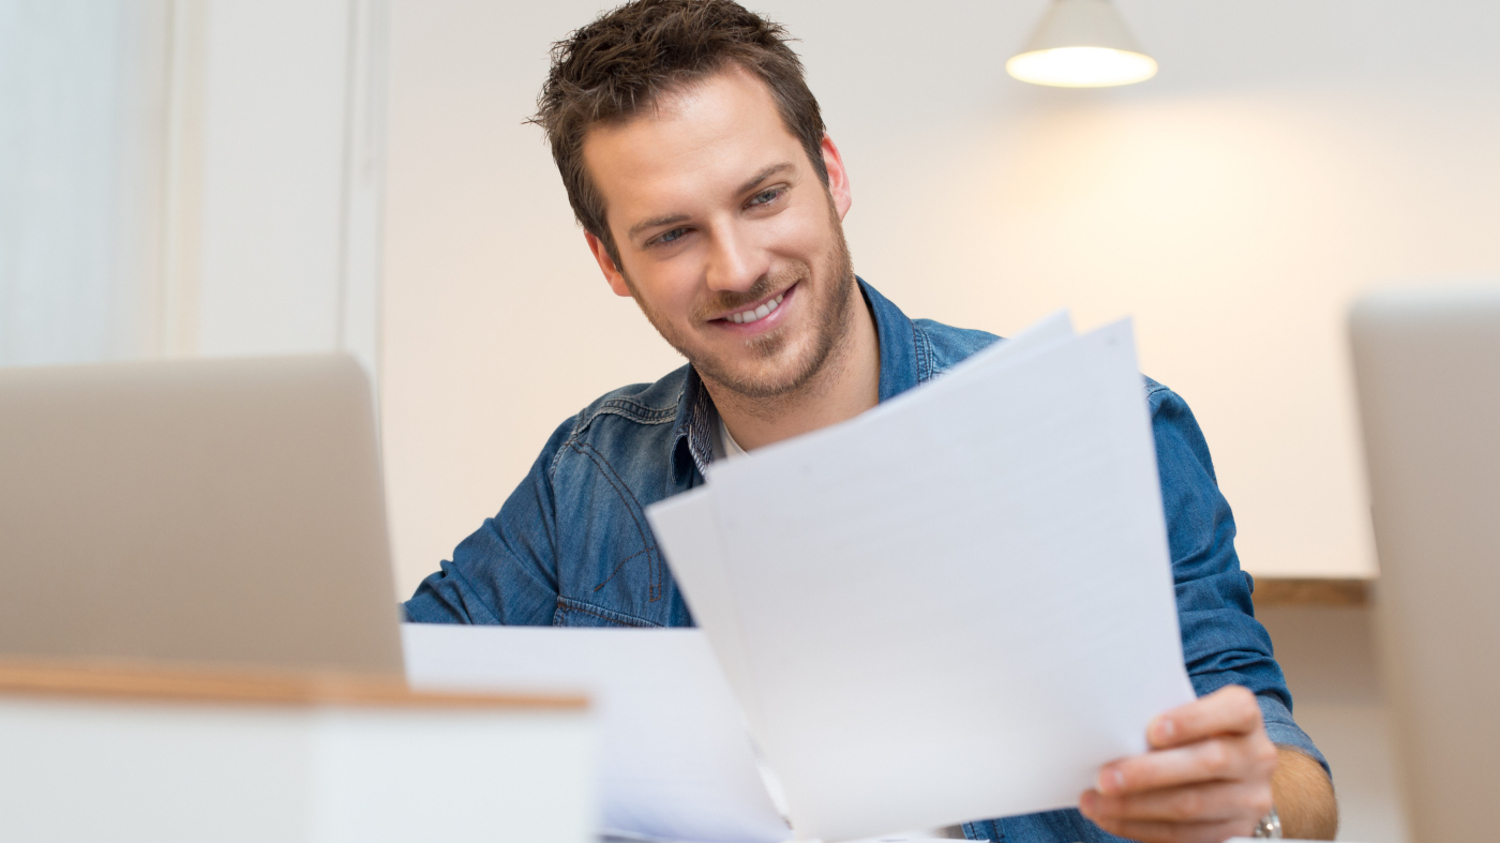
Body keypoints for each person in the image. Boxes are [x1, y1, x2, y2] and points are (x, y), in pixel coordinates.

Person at [402, 1, 1339, 840]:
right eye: (672, 233)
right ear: (611, 261)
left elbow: (1297, 786)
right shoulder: (589, 476)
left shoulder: (1114, 427)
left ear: (832, 176)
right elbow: (387, 690)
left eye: (763, 197)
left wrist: (1246, 807)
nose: (736, 267)